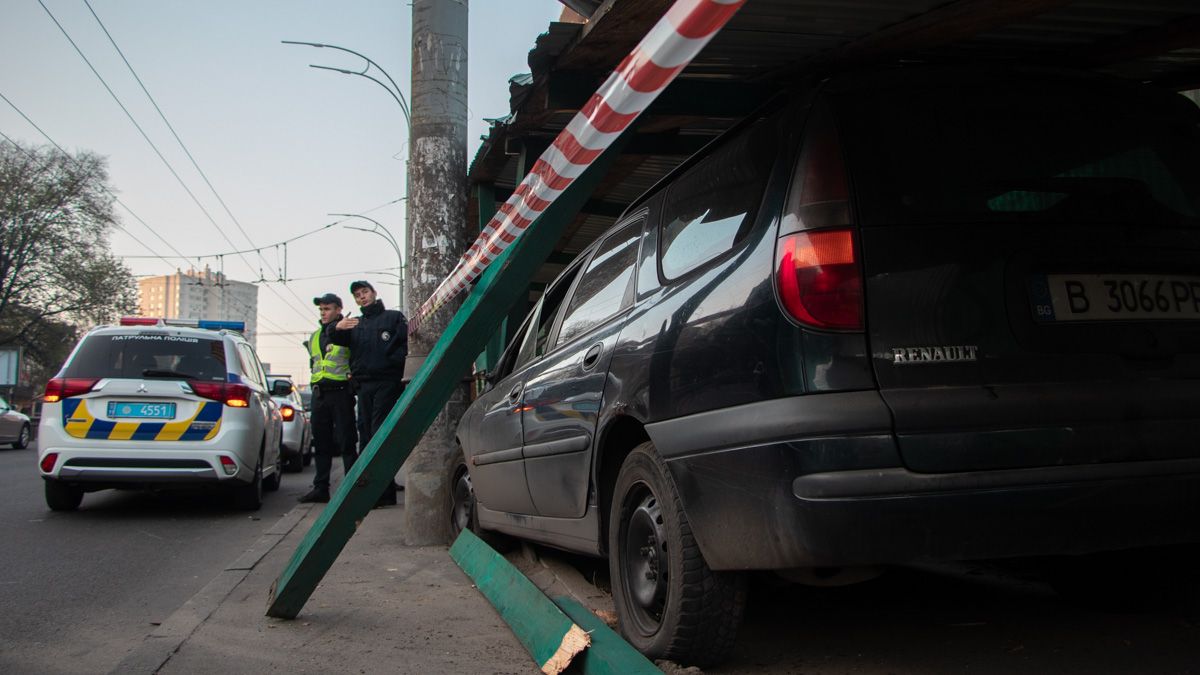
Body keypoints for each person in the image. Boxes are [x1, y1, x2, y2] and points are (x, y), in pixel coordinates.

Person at [331, 280, 407, 506]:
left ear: (374, 293)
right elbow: (333, 338)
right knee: (365, 436)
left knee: (379, 434)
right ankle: (374, 492)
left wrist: (389, 363)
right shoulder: (356, 323)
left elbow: (404, 343)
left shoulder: (392, 317)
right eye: (357, 295)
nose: (362, 297)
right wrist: (336, 327)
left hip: (387, 382)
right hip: (364, 385)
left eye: (365, 292)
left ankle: (383, 492)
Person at [298, 293, 358, 503]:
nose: (324, 313)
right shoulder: (315, 336)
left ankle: (352, 489)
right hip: (319, 395)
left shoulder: (349, 330)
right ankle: (320, 488)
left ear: (339, 310)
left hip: (341, 393)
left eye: (328, 309)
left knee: (347, 442)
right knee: (321, 444)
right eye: (322, 309)